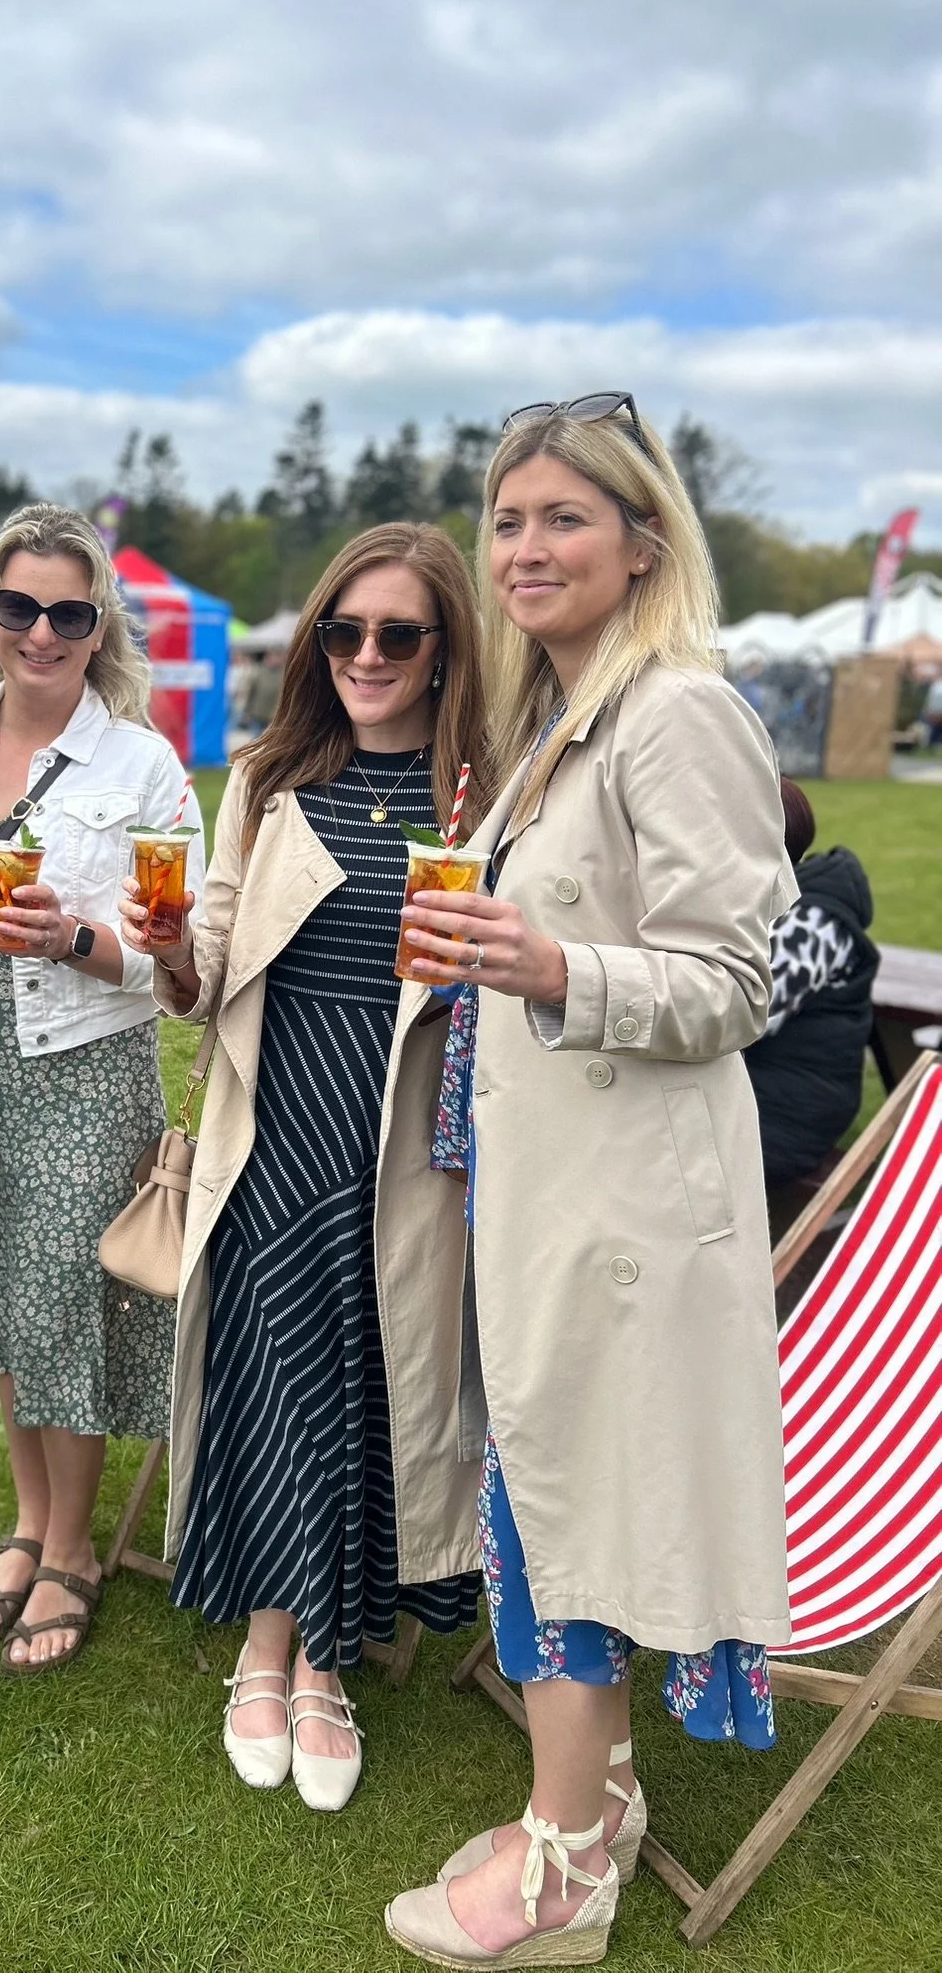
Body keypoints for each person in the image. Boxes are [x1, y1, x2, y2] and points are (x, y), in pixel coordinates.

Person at [386, 394, 796, 1966]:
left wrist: (555, 965)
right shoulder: (566, 718)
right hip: (546, 1198)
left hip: (627, 1214)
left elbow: (738, 981)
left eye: (565, 515)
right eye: (508, 518)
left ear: (643, 541)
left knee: (572, 1510)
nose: (527, 544)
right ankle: (593, 1795)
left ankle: (567, 1868)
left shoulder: (676, 709)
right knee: (549, 1498)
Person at [122, 522, 493, 1813]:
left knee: (373, 1396)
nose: (367, 655)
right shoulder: (274, 781)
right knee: (281, 1385)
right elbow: (205, 965)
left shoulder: (481, 794)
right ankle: (268, 1650)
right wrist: (167, 950)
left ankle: (329, 1661)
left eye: (398, 633)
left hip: (403, 1150)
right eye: (344, 631)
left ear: (447, 648)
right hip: (275, 1131)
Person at [0, 501, 203, 1677]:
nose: (41, 631)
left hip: (81, 1061)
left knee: (70, 1304)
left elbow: (187, 960)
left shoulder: (143, 764)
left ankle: (71, 1546)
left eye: (67, 611)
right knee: (3, 1294)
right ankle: (29, 1521)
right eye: (19, 606)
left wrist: (80, 938)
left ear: (97, 625)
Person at [745, 778, 878, 1191]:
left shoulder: (812, 922)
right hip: (760, 1094)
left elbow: (742, 1016)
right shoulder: (771, 903)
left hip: (790, 1113)